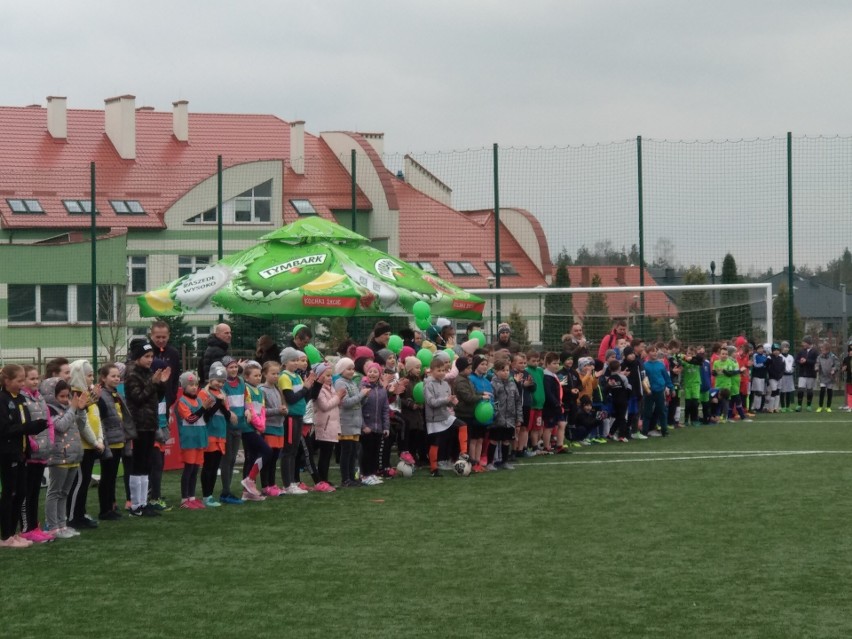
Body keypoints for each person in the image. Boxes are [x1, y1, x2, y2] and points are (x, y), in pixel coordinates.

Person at [1, 364, 48, 548]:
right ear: (7, 381)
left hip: (21, 453)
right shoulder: (2, 400)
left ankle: (14, 533)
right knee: (9, 493)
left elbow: (25, 424)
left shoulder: (20, 399)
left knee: (21, 493)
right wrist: (29, 428)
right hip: (7, 453)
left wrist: (37, 426)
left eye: (23, 380)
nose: (22, 384)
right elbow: (5, 429)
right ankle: (5, 535)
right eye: (19, 380)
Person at [124, 341, 171, 517]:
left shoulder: (148, 372)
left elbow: (155, 397)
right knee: (139, 464)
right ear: (137, 357)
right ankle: (136, 505)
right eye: (147, 356)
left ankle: (143, 503)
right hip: (139, 425)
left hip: (149, 423)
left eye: (152, 356)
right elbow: (138, 397)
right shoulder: (131, 374)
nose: (150, 360)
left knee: (146, 464)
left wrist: (161, 384)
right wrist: (152, 383)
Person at [43, 378, 87, 539]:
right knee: (55, 492)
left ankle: (62, 524)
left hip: (73, 455)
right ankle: (52, 526)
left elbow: (80, 426)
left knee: (64, 493)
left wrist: (81, 410)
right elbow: (60, 426)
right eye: (61, 396)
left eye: (67, 396)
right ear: (51, 395)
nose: (66, 400)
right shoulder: (50, 409)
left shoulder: (70, 408)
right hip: (59, 457)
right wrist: (72, 409)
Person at [66, 360, 104, 530]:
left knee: (85, 481)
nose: (91, 378)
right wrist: (95, 441)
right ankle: (73, 517)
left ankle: (81, 514)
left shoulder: (87, 393)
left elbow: (96, 417)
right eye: (88, 375)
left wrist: (100, 439)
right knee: (79, 482)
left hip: (91, 445)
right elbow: (83, 424)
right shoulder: (76, 394)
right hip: (82, 445)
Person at [18, 366, 52, 543]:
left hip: (42, 452)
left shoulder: (40, 398)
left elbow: (48, 422)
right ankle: (26, 528)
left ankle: (34, 526)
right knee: (27, 492)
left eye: (36, 378)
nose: (35, 382)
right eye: (31, 379)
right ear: (22, 381)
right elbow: (25, 425)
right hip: (31, 453)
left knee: (35, 493)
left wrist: (50, 441)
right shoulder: (22, 400)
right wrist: (33, 444)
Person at [95, 363, 132, 521]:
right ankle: (105, 510)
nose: (117, 378)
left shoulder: (115, 393)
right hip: (109, 441)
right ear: (103, 378)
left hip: (118, 440)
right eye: (113, 376)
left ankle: (111, 506)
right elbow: (102, 418)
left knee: (112, 476)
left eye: (118, 376)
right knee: (107, 476)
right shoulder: (102, 395)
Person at [278, 348, 317, 494]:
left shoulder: (296, 377)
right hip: (290, 417)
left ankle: (293, 482)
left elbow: (303, 398)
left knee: (294, 450)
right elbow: (291, 398)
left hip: (298, 416)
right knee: (288, 451)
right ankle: (288, 484)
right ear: (285, 362)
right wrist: (305, 388)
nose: (296, 363)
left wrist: (309, 387)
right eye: (293, 360)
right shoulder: (284, 377)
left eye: (297, 360)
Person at [424, 357, 470, 477]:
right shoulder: (428, 384)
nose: (442, 373)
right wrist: (446, 400)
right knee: (435, 443)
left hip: (445, 416)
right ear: (432, 371)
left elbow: (447, 400)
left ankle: (463, 452)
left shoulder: (446, 384)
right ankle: (434, 469)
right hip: (434, 419)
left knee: (462, 425)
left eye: (444, 370)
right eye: (438, 370)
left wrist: (452, 401)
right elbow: (431, 402)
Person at [199, 363, 236, 508]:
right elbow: (206, 416)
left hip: (221, 434)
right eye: (217, 381)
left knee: (215, 467)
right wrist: (218, 403)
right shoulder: (204, 393)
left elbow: (227, 415)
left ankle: (210, 495)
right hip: (210, 434)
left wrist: (222, 403)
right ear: (210, 379)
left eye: (222, 381)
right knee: (208, 466)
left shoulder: (222, 394)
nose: (220, 384)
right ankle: (206, 495)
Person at [175, 371, 212, 509]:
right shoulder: (182, 401)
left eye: (196, 384)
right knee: (188, 469)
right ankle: (184, 499)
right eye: (190, 384)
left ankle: (192, 497)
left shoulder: (199, 400)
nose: (194, 387)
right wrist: (203, 408)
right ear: (183, 387)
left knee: (195, 469)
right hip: (189, 440)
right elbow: (190, 419)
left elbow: (204, 418)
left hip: (200, 439)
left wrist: (209, 408)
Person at [240, 361, 273, 502]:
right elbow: (250, 410)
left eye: (259, 375)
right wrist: (259, 426)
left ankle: (247, 492)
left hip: (258, 427)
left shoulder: (260, 391)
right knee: (267, 451)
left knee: (252, 458)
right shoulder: (246, 389)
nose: (258, 378)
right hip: (248, 428)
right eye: (255, 375)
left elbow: (262, 411)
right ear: (247, 378)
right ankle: (250, 480)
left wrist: (262, 426)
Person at [334, 358, 370, 487]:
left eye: (352, 369)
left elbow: (358, 403)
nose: (351, 371)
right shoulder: (340, 383)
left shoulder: (353, 383)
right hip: (346, 422)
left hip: (355, 422)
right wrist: (361, 394)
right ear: (341, 370)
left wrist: (365, 397)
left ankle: (352, 477)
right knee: (347, 451)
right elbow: (346, 403)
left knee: (354, 451)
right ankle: (345, 479)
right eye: (348, 369)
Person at [360, 362, 390, 486]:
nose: (372, 374)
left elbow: (385, 409)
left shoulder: (382, 390)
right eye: (370, 371)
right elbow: (358, 408)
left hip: (378, 427)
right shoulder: (363, 387)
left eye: (375, 372)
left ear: (379, 374)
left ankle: (372, 473)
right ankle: (365, 474)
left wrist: (386, 426)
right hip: (367, 426)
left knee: (375, 451)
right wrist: (363, 426)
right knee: (366, 451)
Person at [259, 361, 286, 497]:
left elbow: (281, 406)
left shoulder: (277, 389)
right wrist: (277, 410)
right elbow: (262, 411)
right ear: (264, 374)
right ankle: (265, 485)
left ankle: (272, 483)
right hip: (269, 428)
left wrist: (284, 410)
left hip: (279, 427)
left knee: (275, 459)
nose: (276, 376)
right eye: (273, 373)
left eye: (278, 373)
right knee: (267, 459)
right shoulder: (262, 390)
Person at [312, 363, 341, 488]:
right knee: (324, 454)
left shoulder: (331, 388)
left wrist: (339, 397)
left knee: (328, 454)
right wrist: (338, 397)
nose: (330, 378)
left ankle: (324, 478)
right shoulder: (320, 390)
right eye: (327, 375)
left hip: (332, 425)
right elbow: (325, 406)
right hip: (324, 425)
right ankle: (322, 478)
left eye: (331, 375)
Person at [489, 359, 522, 468]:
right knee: (494, 439)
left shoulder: (512, 384)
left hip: (510, 419)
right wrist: (496, 412)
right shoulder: (493, 384)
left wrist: (519, 418)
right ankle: (490, 462)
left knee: (506, 440)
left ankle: (504, 461)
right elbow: (493, 401)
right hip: (497, 419)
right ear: (496, 371)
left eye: (507, 370)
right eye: (502, 370)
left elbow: (517, 401)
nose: (505, 372)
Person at [641, 345, 673, 437]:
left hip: (659, 391)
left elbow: (666, 377)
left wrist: (671, 387)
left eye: (655, 351)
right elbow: (643, 379)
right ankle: (645, 431)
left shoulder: (661, 364)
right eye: (652, 351)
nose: (654, 353)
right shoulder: (645, 365)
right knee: (647, 412)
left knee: (662, 411)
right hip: (649, 392)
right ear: (647, 353)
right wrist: (646, 389)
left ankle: (664, 430)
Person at [796, 336, 818, 412]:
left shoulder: (815, 351)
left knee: (809, 390)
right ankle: (799, 405)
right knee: (800, 389)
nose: (803, 344)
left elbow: (816, 362)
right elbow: (797, 359)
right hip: (802, 374)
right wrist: (800, 361)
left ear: (808, 343)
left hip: (811, 374)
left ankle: (809, 405)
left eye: (804, 342)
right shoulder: (801, 351)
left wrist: (806, 361)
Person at [815, 343, 840, 412]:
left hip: (830, 377)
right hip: (822, 376)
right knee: (822, 391)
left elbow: (837, 364)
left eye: (823, 348)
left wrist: (834, 370)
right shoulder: (819, 357)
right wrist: (816, 368)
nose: (821, 350)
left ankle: (828, 407)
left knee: (829, 392)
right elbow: (817, 363)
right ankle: (820, 406)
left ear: (827, 349)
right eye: (821, 348)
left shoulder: (833, 356)